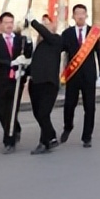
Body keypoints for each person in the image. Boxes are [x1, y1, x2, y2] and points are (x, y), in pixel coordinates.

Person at [60, 4, 100, 148]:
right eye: (77, 13)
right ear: (73, 16)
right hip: (73, 75)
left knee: (90, 107)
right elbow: (59, 50)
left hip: (89, 75)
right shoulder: (67, 33)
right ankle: (68, 126)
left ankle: (87, 136)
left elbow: (99, 53)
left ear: (86, 15)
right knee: (69, 105)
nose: (80, 16)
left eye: (82, 13)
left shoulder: (93, 33)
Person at [0, 12, 31, 154]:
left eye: (11, 22)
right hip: (1, 81)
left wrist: (29, 39)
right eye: (6, 22)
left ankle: (9, 141)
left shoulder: (19, 39)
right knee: (2, 111)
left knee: (12, 111)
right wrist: (11, 63)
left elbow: (27, 55)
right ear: (1, 25)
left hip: (16, 81)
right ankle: (15, 128)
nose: (9, 25)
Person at [27, 13, 63, 155]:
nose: (45, 25)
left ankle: (51, 137)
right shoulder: (39, 45)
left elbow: (45, 33)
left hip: (49, 83)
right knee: (38, 113)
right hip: (35, 82)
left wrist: (34, 22)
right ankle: (45, 142)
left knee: (43, 113)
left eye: (48, 23)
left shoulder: (56, 40)